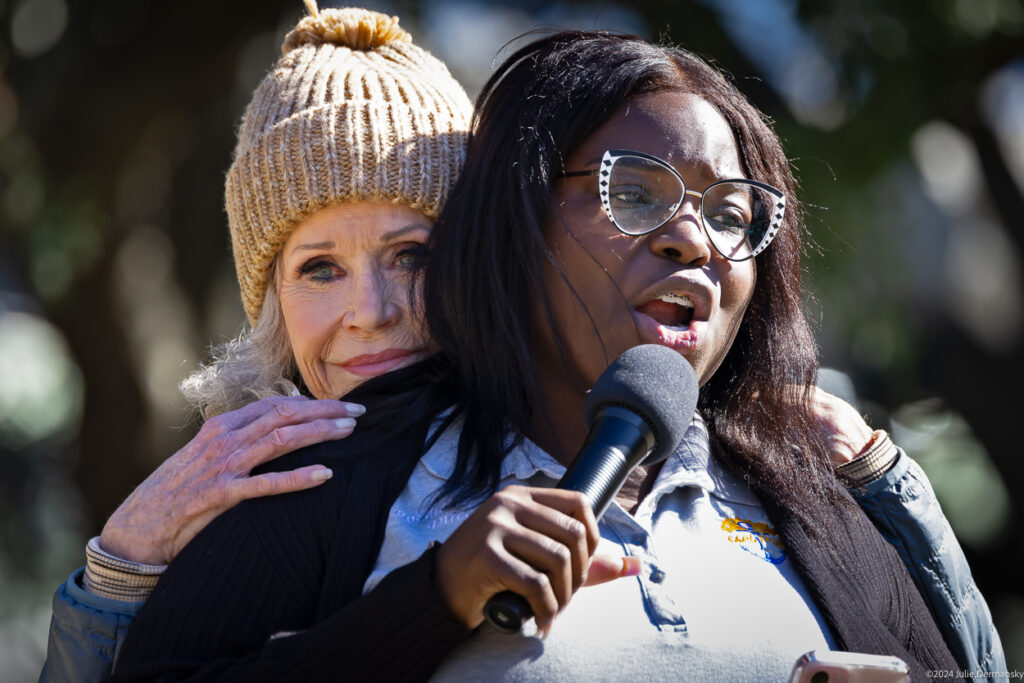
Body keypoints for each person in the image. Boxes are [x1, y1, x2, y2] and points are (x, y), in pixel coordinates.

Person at [104, 27, 1006, 682]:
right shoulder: (326, 477)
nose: (696, 237)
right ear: (513, 222)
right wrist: (431, 601)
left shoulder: (817, 489)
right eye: (638, 192)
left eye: (732, 213)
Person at [39, 4, 473, 682]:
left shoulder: (573, 429)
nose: (371, 312)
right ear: (271, 303)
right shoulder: (243, 512)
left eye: (411, 255)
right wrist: (119, 569)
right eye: (319, 268)